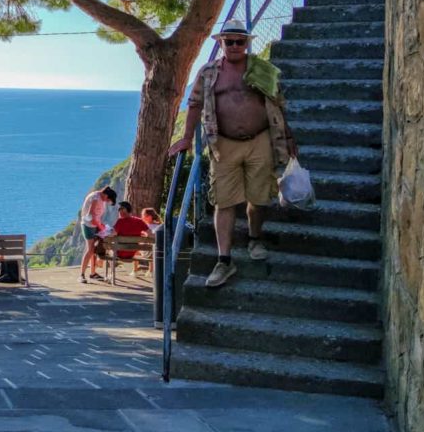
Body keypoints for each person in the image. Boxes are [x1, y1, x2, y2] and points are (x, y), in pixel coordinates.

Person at [169, 18, 297, 288]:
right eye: (230, 41)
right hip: (223, 144)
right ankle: (224, 260)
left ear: (248, 43)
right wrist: (186, 139)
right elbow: (193, 105)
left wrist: (288, 136)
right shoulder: (208, 72)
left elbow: (278, 103)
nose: (235, 45)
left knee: (259, 196)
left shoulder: (262, 70)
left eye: (240, 41)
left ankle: (254, 237)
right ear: (221, 43)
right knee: (223, 201)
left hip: (260, 139)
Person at [79, 186, 117, 283]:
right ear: (106, 195)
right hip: (88, 225)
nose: (107, 201)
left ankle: (93, 273)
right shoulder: (95, 198)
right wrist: (101, 228)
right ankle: (81, 275)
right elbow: (91, 216)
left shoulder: (101, 198)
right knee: (90, 249)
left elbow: (97, 216)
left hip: (95, 225)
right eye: (108, 199)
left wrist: (102, 226)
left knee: (94, 249)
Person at [112, 201, 151, 277]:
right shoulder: (139, 221)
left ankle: (111, 273)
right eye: (119, 209)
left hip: (120, 253)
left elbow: (111, 234)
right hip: (132, 253)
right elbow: (150, 234)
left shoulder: (119, 222)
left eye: (121, 209)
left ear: (126, 210)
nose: (119, 211)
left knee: (108, 246)